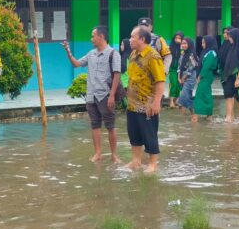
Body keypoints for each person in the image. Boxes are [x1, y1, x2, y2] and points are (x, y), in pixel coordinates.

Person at [63, 26, 122, 163]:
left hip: (105, 95)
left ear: (101, 37)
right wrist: (68, 51)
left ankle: (114, 155)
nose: (91, 39)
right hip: (91, 96)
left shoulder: (113, 54)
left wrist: (112, 95)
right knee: (95, 125)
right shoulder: (91, 54)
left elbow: (117, 74)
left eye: (92, 36)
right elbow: (77, 64)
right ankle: (98, 153)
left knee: (110, 126)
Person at [125, 26, 166, 173]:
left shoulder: (153, 56)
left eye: (132, 37)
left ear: (142, 39)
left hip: (147, 104)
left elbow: (160, 81)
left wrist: (156, 102)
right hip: (132, 104)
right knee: (134, 134)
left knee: (149, 134)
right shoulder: (133, 54)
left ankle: (153, 163)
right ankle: (136, 161)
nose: (130, 40)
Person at [221, 28, 239, 124]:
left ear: (236, 37)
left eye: (230, 36)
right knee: (228, 95)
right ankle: (229, 117)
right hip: (229, 76)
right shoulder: (231, 47)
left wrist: (238, 79)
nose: (229, 38)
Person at [193, 35, 220, 122]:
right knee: (205, 93)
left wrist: (200, 76)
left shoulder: (212, 53)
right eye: (202, 42)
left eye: (204, 42)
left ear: (209, 43)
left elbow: (206, 66)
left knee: (200, 93)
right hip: (204, 75)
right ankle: (208, 115)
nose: (202, 44)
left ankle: (197, 115)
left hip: (206, 75)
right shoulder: (206, 52)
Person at [177, 37, 199, 119]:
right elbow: (179, 66)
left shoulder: (192, 54)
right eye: (182, 43)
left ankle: (184, 118)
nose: (183, 45)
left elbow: (192, 66)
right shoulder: (183, 54)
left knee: (182, 99)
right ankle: (193, 115)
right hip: (182, 77)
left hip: (190, 78)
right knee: (188, 97)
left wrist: (184, 78)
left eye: (185, 43)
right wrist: (179, 77)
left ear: (189, 44)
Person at [168, 31, 184, 107]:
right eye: (176, 38)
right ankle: (171, 101)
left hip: (180, 69)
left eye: (179, 38)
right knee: (173, 84)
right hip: (172, 69)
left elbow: (183, 56)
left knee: (179, 85)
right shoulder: (170, 47)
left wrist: (181, 46)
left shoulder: (183, 47)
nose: (177, 39)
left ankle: (176, 100)